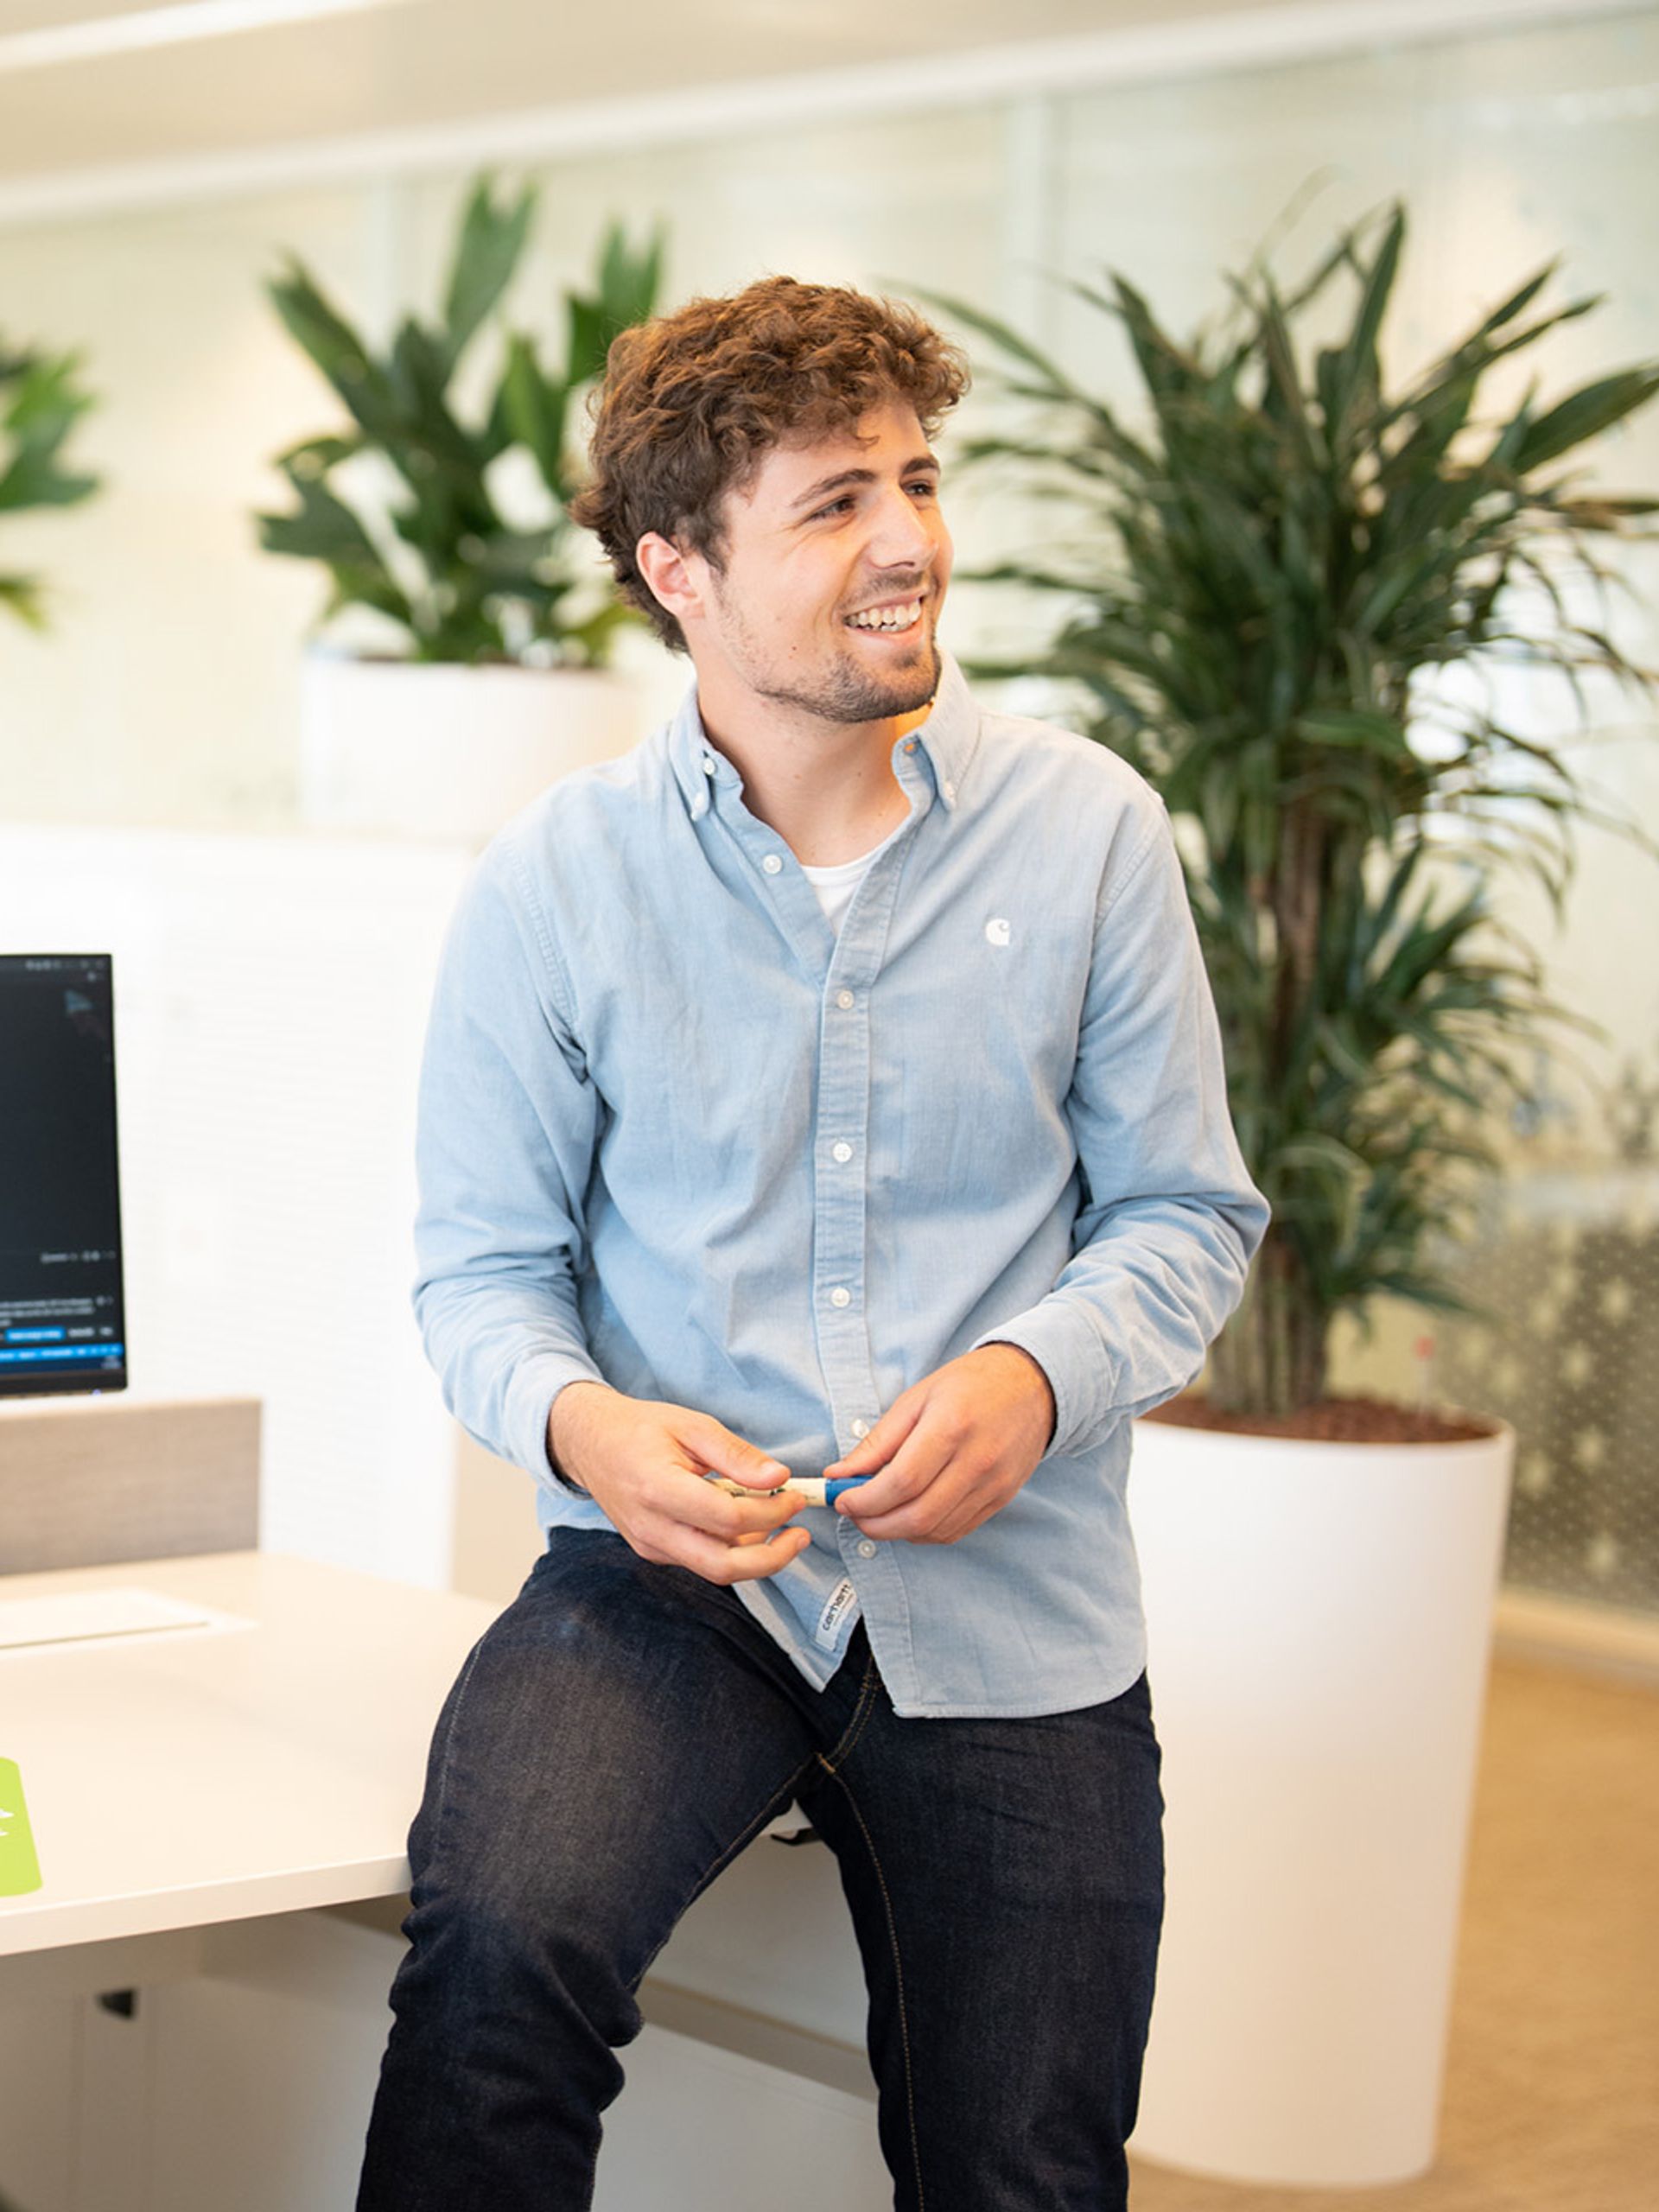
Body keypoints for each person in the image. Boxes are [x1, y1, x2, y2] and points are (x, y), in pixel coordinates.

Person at [355, 276, 1268, 2212]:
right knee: (496, 1973)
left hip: (1015, 1600)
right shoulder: (555, 882)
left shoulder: (1091, 832)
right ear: (677, 564)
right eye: (837, 500)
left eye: (920, 479)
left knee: (1024, 2162)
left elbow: (1188, 1212)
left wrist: (1039, 1371)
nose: (911, 541)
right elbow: (481, 1275)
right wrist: (592, 1432)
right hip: (671, 1583)